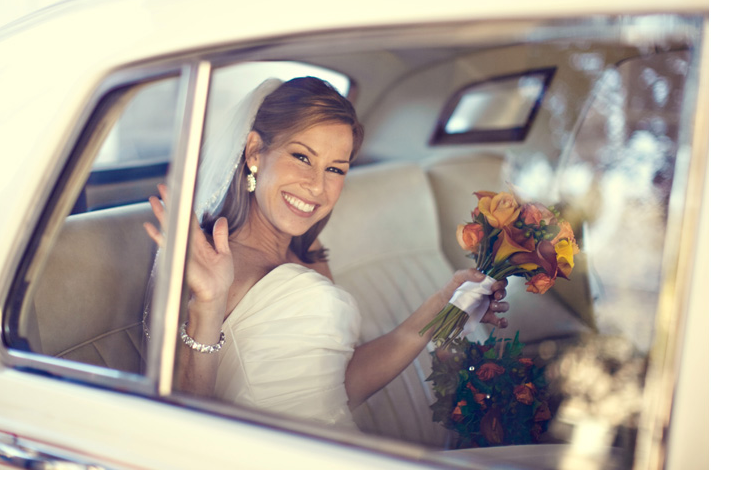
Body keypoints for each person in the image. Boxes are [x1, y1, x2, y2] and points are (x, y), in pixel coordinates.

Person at [144, 76, 508, 430]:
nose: (317, 186)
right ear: (255, 152)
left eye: (335, 169)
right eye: (302, 157)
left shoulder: (310, 253)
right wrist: (208, 303)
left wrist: (445, 306)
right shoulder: (209, 263)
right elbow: (181, 426)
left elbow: (337, 389)